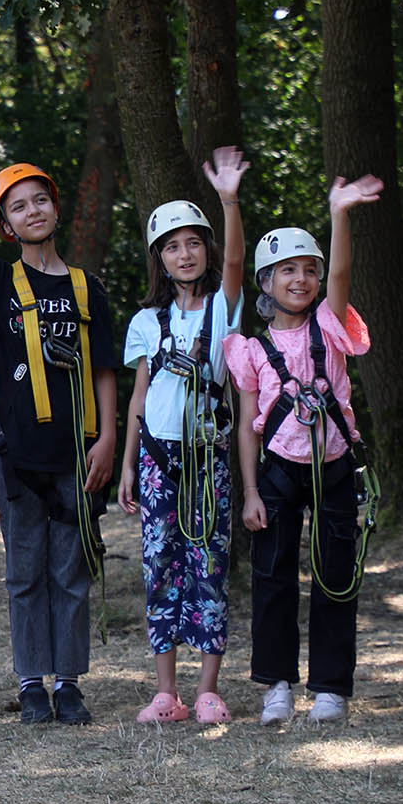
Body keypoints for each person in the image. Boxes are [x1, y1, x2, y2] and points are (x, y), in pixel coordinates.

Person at [0, 162, 116, 725]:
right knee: (25, 570)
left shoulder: (86, 287)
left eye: (40, 201)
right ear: (5, 225)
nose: (32, 211)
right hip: (19, 454)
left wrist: (107, 437)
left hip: (77, 453)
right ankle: (32, 681)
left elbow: (105, 369)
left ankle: (71, 682)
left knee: (72, 570)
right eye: (18, 206)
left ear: (56, 209)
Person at [225, 175, 382, 725]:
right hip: (276, 472)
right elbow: (247, 424)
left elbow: (341, 271)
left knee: (336, 574)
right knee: (272, 578)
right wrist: (249, 491)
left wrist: (338, 212)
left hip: (334, 465)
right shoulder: (251, 348)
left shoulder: (329, 324)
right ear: (267, 282)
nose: (302, 278)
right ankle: (277, 685)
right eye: (288, 270)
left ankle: (332, 687)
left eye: (308, 269)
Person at [117, 149, 248, 724]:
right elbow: (139, 399)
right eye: (172, 246)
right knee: (159, 564)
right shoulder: (147, 322)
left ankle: (207, 690)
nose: (185, 252)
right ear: (160, 260)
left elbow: (240, 264)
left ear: (207, 249)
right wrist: (126, 465)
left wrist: (227, 200)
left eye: (194, 242)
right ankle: (165, 692)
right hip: (156, 457)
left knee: (209, 564)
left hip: (207, 457)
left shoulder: (225, 310)